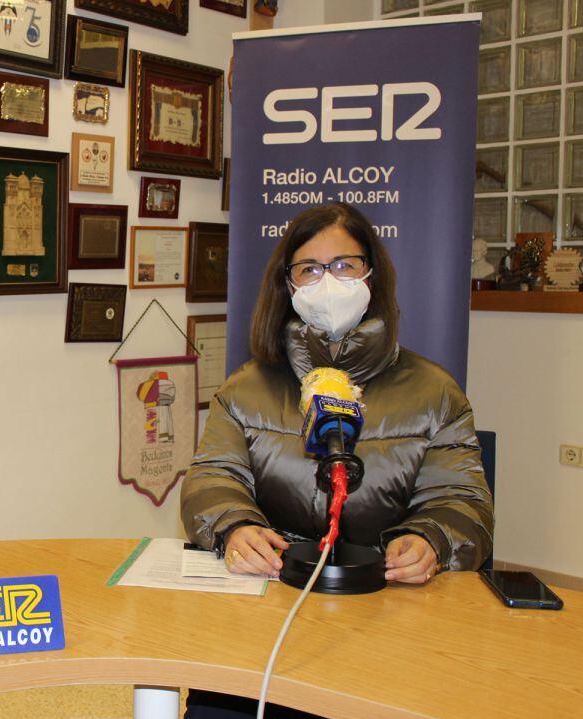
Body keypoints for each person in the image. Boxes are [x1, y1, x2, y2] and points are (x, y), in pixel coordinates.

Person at [180, 203, 493, 719]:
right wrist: (235, 528)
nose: (328, 282)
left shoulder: (435, 392)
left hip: (388, 621)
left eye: (344, 265)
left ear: (373, 274)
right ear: (289, 285)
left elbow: (462, 500)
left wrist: (432, 540)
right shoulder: (245, 389)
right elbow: (213, 477)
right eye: (309, 269)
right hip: (267, 616)